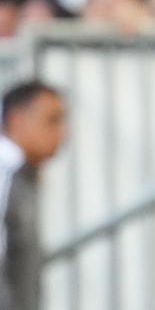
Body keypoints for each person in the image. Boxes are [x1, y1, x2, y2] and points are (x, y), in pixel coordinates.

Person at [0, 81, 66, 310]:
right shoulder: (5, 173)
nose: (62, 134)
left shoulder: (22, 174)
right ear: (16, 120)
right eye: (52, 120)